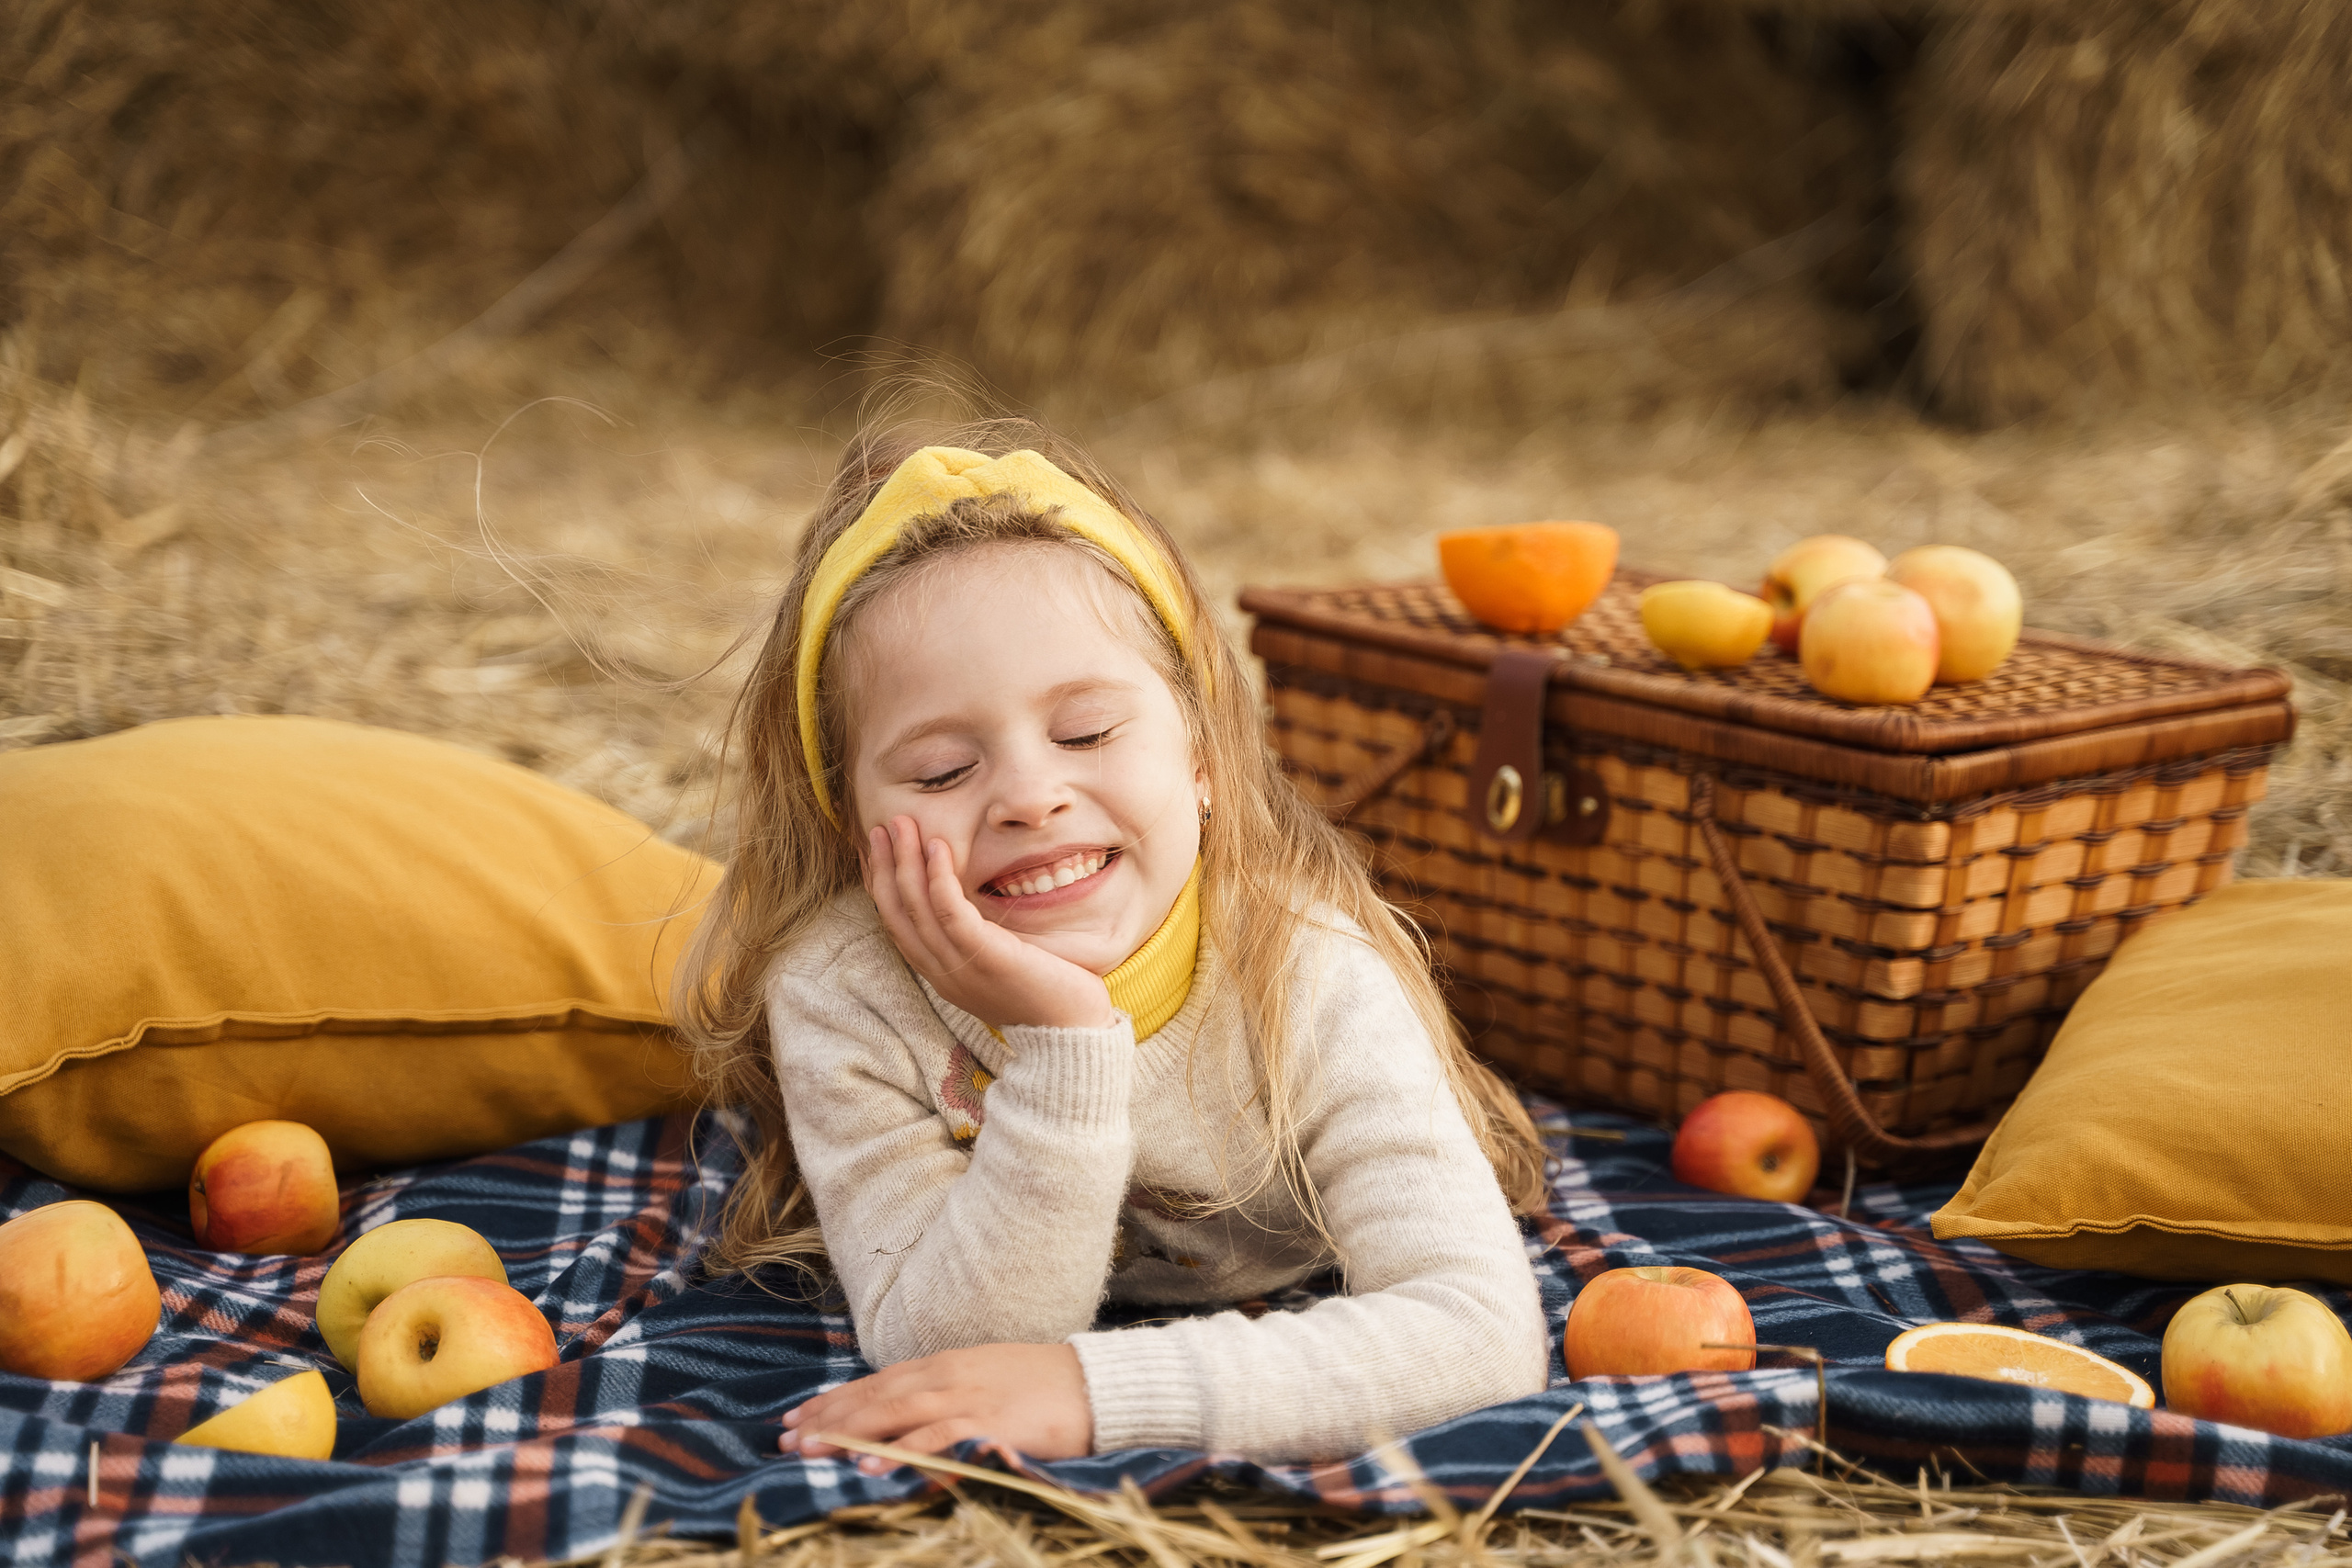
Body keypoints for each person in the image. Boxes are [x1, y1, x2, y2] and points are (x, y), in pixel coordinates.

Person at [679, 416, 1553, 1471]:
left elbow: (1481, 1331)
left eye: (1087, 733)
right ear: (849, 824)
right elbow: (955, 1355)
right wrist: (1063, 1045)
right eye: (941, 772)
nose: (1030, 797)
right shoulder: (841, 989)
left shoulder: (1304, 967)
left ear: (1203, 759)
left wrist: (1105, 1393)